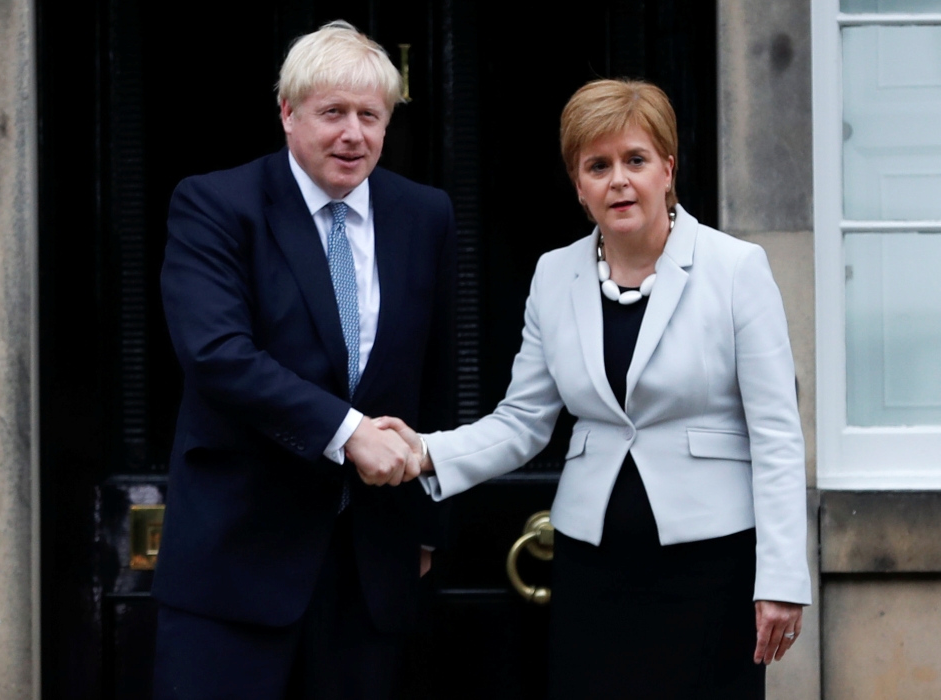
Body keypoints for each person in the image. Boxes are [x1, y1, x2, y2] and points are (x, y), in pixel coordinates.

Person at [379, 79, 811, 699]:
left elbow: (776, 434)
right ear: (579, 186)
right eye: (597, 166)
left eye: (635, 160)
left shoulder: (737, 268)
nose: (618, 180)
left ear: (667, 167)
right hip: (592, 563)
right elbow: (523, 420)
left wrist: (781, 580)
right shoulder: (554, 275)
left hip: (713, 567)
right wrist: (425, 452)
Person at [151, 21, 455, 700]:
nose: (353, 134)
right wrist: (349, 435)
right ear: (288, 114)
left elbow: (435, 375)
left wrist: (427, 521)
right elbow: (217, 355)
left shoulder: (424, 214)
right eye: (333, 113)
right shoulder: (216, 205)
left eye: (370, 116)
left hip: (370, 566)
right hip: (237, 562)